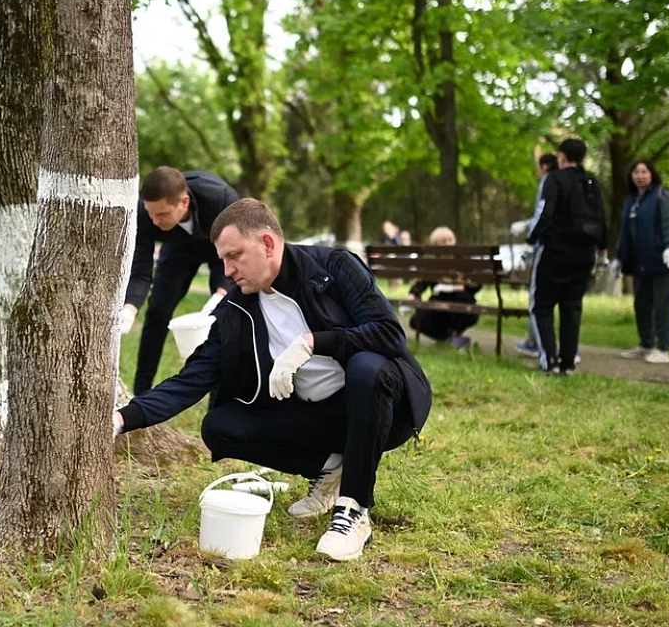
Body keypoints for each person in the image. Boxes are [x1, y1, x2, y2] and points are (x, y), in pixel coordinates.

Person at [113, 199, 432, 562]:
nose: (228, 270)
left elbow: (389, 334)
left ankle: (354, 509)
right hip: (320, 417)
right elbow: (191, 379)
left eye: (235, 256)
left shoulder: (333, 266)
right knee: (219, 426)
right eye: (222, 260)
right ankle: (332, 468)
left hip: (386, 409)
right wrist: (122, 419)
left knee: (365, 366)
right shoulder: (237, 307)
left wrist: (313, 343)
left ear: (267, 244)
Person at [120, 167, 240, 396]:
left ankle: (218, 397)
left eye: (162, 214)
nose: (155, 221)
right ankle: (141, 393)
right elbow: (141, 271)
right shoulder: (145, 213)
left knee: (223, 317)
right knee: (157, 312)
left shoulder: (221, 199)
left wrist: (222, 292)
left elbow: (236, 252)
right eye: (151, 214)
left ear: (184, 202)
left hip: (221, 251)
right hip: (177, 250)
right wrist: (130, 308)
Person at [527, 139, 607, 374]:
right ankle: (568, 362)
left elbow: (544, 212)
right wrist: (602, 250)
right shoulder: (591, 183)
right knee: (572, 308)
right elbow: (602, 219)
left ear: (561, 156)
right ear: (583, 157)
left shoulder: (554, 179)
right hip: (584, 254)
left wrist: (532, 238)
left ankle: (549, 360)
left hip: (555, 252)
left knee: (542, 306)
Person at [615, 161, 669, 364]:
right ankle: (646, 344)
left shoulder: (663, 195)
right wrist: (619, 257)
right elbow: (625, 232)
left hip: (664, 260)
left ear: (652, 174)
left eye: (644, 172)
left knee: (663, 304)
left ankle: (663, 348)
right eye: (636, 172)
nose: (640, 176)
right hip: (640, 262)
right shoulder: (631, 200)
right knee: (642, 304)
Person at [404, 227, 478, 349]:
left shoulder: (463, 261)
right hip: (438, 303)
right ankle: (449, 338)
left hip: (461, 301)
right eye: (443, 241)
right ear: (435, 246)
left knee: (461, 310)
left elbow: (476, 285)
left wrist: (463, 287)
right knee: (416, 320)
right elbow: (422, 283)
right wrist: (413, 294)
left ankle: (454, 336)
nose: (448, 244)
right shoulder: (432, 264)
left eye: (450, 240)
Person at [515, 153, 559, 359]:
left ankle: (536, 344)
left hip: (545, 248)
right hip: (566, 249)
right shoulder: (570, 183)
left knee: (538, 301)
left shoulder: (548, 183)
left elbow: (542, 213)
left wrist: (530, 237)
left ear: (544, 166)